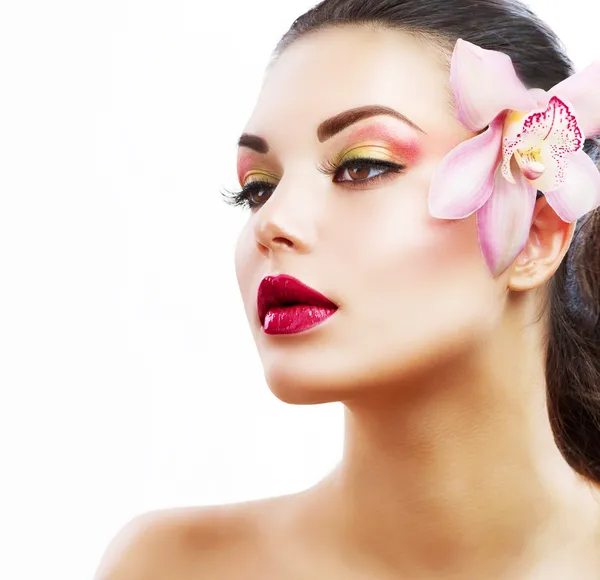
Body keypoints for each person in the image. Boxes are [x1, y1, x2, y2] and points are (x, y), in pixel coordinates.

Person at [95, 0, 600, 578]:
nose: (271, 222)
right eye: (257, 188)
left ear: (535, 235)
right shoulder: (171, 567)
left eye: (362, 165)